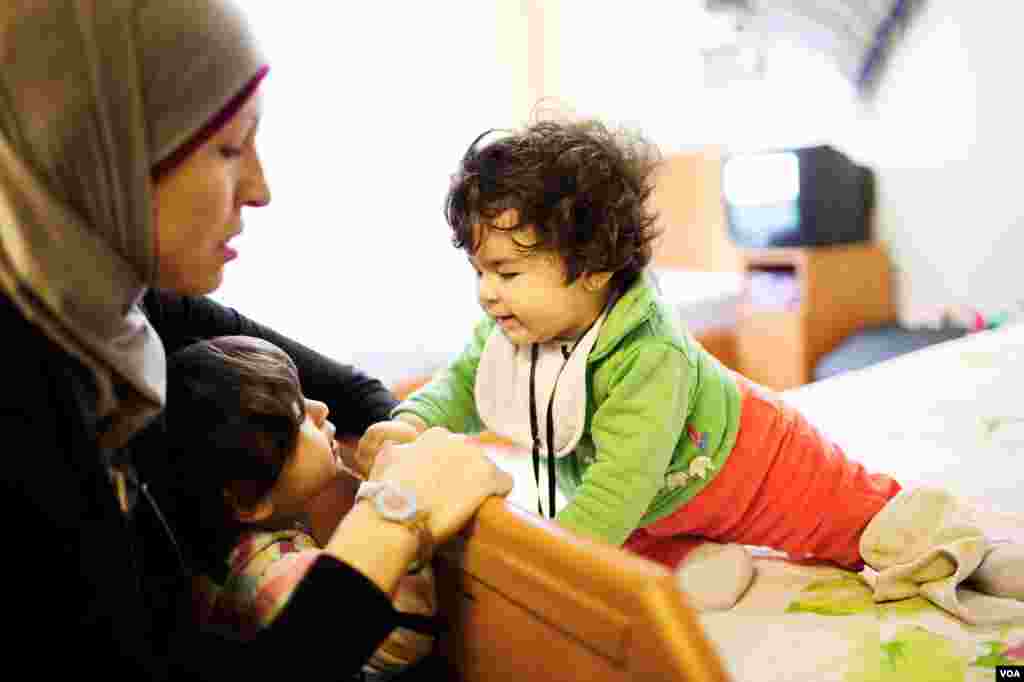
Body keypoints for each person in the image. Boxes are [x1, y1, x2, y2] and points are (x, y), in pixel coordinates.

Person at [0, 2, 511, 679]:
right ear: (103, 152)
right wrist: (394, 519)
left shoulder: (112, 312)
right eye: (229, 148)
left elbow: (349, 394)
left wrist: (396, 430)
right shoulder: (20, 393)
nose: (261, 188)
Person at [362, 118, 1007, 577]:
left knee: (859, 524)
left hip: (752, 463)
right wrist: (412, 420)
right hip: (665, 501)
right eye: (479, 271)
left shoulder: (649, 357)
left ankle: (976, 547)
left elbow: (618, 487)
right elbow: (464, 385)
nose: (485, 294)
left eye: (506, 273)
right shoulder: (509, 330)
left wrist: (550, 562)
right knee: (637, 545)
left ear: (592, 268)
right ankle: (698, 556)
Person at [157, 335, 437, 678]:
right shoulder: (278, 574)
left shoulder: (219, 559)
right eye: (299, 415)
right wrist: (394, 499)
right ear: (247, 499)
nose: (321, 408)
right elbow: (404, 642)